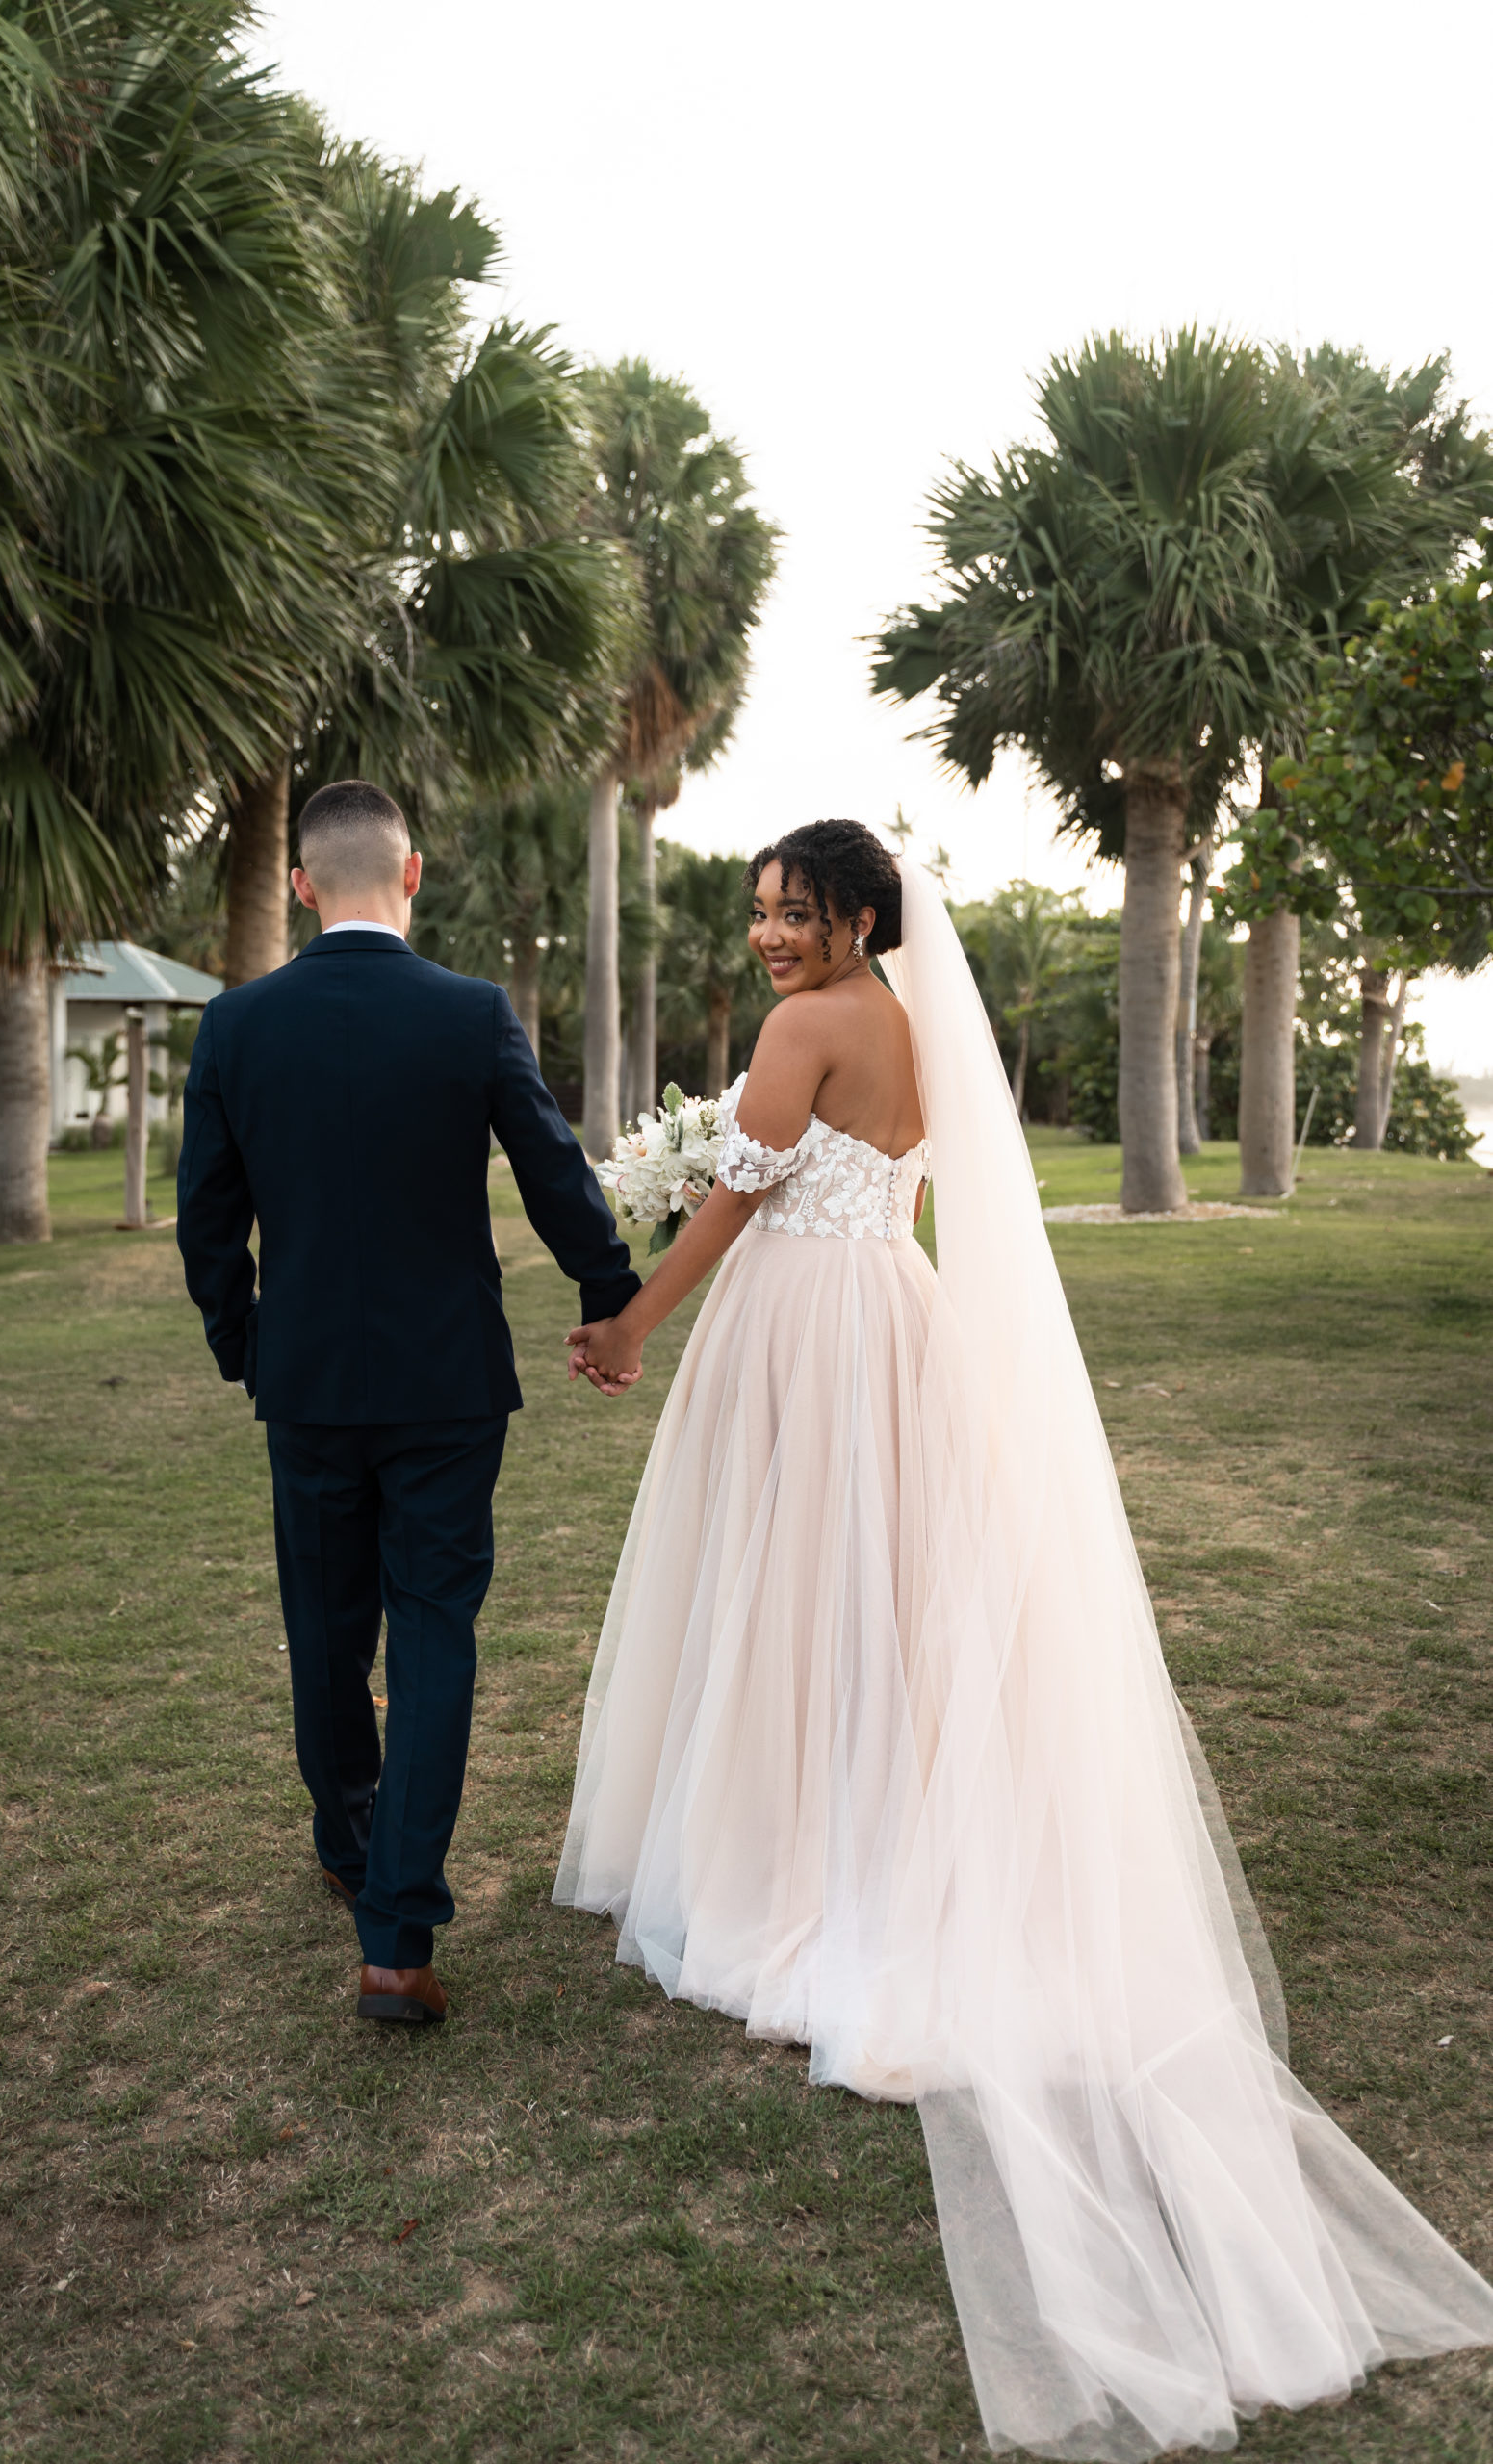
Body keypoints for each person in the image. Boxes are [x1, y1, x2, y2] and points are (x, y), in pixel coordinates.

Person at [557, 819, 1493, 2462]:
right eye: (761, 913)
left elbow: (728, 1203)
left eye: (798, 912)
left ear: (859, 916)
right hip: (890, 1330)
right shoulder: (921, 1029)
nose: (771, 935)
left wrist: (633, 1316)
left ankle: (796, 1863)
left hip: (807, 1335)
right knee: (870, 1606)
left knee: (789, 1595)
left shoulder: (805, 1028)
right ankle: (858, 1830)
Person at [176, 779, 639, 2028]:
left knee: (327, 1625)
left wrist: (247, 1349)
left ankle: (346, 1840)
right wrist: (610, 1294)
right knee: (434, 1628)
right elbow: (554, 1173)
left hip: (310, 1382)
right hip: (448, 1385)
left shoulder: (237, 1026)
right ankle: (396, 1938)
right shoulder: (469, 1013)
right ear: (414, 874)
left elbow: (208, 1224)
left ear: (301, 884)